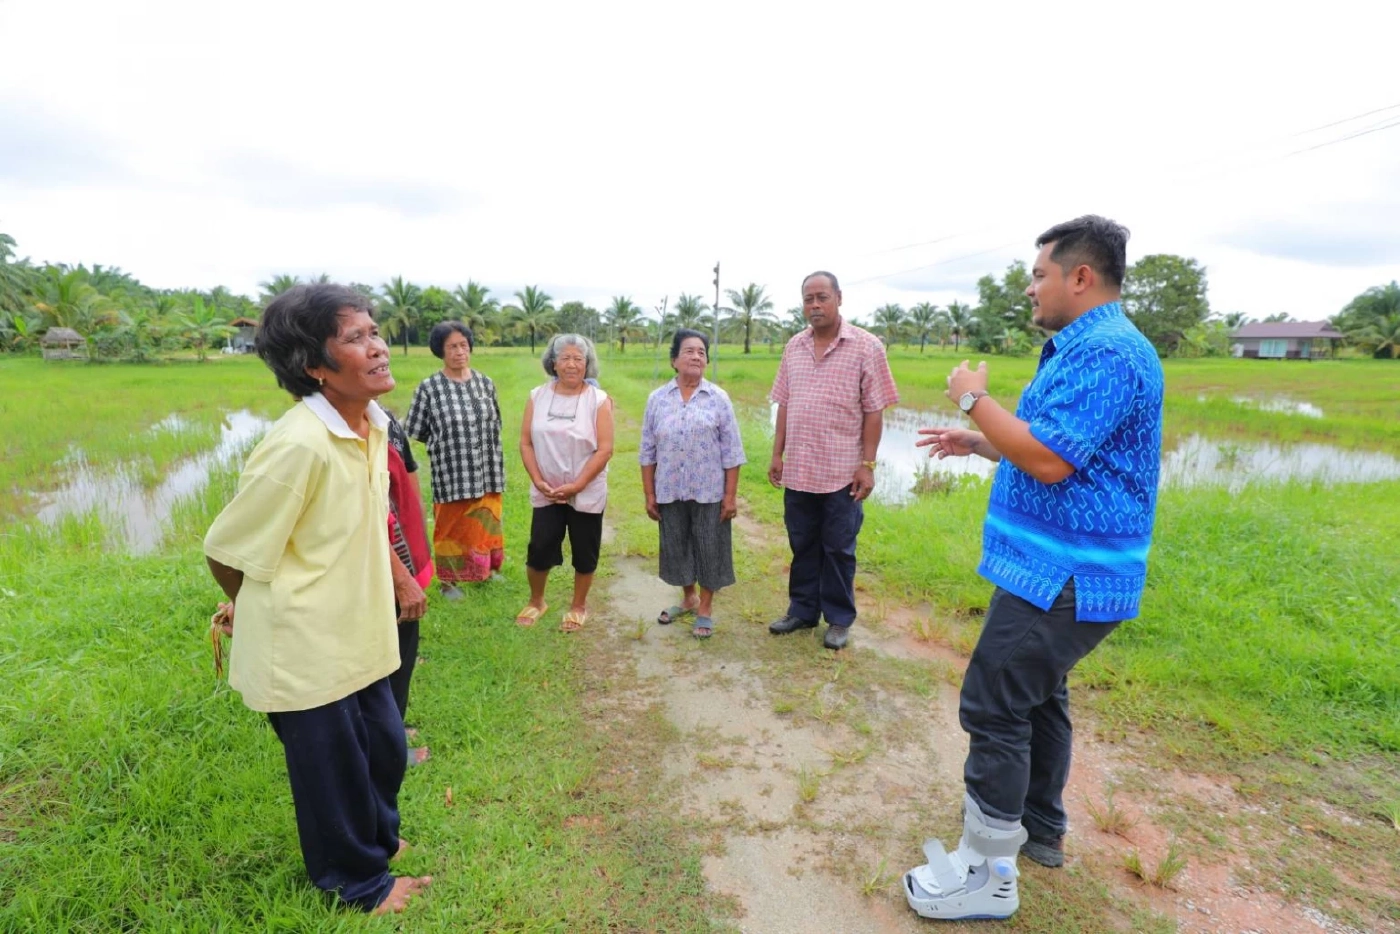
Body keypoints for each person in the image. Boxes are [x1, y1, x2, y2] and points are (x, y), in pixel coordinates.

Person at [902, 216, 1164, 921]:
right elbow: (1054, 450)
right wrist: (979, 439)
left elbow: (1048, 460)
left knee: (993, 701)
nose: (1030, 287)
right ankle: (1039, 827)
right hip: (1047, 568)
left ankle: (987, 872)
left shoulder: (1109, 351)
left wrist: (971, 397)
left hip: (1066, 575)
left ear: (1081, 277)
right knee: (1039, 695)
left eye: (1040, 273)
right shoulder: (1081, 347)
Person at [203, 283, 431, 915]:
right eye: (355, 338)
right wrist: (250, 610)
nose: (379, 346)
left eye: (374, 331)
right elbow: (227, 550)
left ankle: (378, 840)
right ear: (314, 365)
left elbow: (364, 516)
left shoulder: (372, 425)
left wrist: (401, 577)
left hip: (357, 629)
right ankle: (358, 885)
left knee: (383, 746)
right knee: (331, 772)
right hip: (304, 645)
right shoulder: (298, 446)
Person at [766, 271, 898, 650]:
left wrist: (867, 465)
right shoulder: (794, 346)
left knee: (839, 547)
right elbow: (785, 403)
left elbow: (875, 410)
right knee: (802, 542)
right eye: (808, 299)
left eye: (822, 297)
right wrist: (777, 454)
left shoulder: (866, 347)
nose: (814, 305)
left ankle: (839, 618)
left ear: (839, 298)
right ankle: (802, 610)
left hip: (842, 472)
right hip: (800, 469)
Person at [639, 329, 746, 639]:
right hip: (670, 489)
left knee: (709, 546)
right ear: (674, 360)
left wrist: (730, 496)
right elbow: (647, 450)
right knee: (677, 544)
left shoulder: (718, 398)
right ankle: (689, 597)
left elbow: (732, 451)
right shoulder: (657, 399)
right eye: (689, 351)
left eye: (702, 351)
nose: (697, 356)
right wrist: (649, 492)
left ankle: (706, 608)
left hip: (709, 490)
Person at [517, 333, 614, 632]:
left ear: (587, 365)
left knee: (585, 549)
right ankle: (537, 601)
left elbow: (605, 448)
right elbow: (526, 443)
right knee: (540, 545)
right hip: (547, 488)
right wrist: (537, 479)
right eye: (566, 358)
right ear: (553, 363)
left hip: (586, 489)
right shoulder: (537, 396)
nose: (572, 364)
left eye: (579, 359)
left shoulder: (598, 400)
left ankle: (578, 606)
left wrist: (578, 485)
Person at [403, 322, 506, 599]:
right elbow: (416, 429)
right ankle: (449, 581)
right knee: (451, 526)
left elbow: (495, 422)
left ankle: (488, 570)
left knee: (486, 521)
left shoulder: (485, 383)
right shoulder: (430, 388)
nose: (459, 352)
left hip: (487, 469)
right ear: (440, 351)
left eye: (463, 345)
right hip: (452, 472)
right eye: (452, 347)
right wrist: (447, 444)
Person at [386, 409, 432, 766]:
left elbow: (409, 470)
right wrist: (401, 576)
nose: (377, 350)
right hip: (379, 566)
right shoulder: (337, 430)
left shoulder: (380, 417)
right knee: (385, 658)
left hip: (399, 547)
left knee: (402, 647)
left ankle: (393, 729)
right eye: (357, 346)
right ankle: (390, 745)